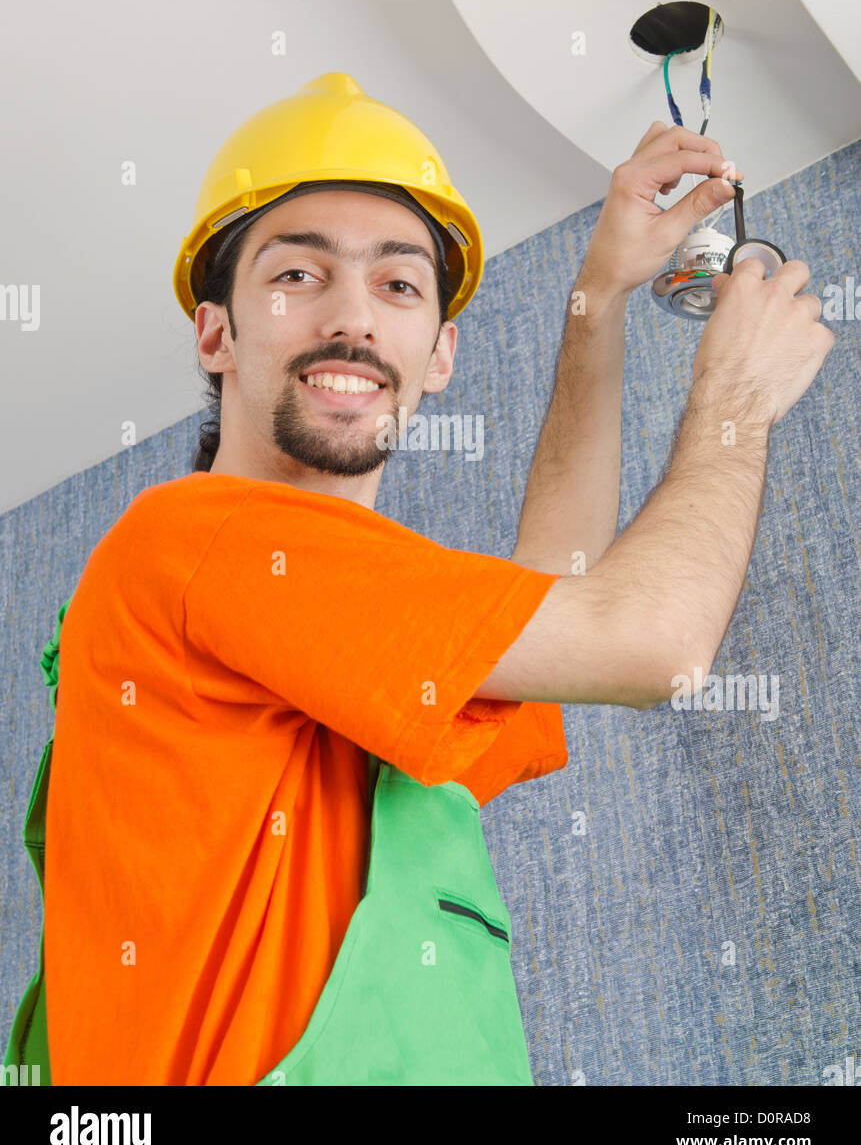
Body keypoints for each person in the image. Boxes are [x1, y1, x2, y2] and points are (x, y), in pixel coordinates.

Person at [21, 74, 833, 1086]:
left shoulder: (323, 641)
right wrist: (735, 397)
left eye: (400, 285)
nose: (353, 318)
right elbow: (654, 641)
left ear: (442, 352)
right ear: (215, 333)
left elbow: (561, 607)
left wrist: (599, 298)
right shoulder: (198, 543)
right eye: (298, 275)